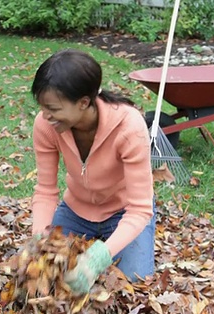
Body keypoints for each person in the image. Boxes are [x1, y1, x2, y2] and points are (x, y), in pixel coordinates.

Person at [29, 49, 156, 295]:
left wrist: (99, 257)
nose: (45, 115)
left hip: (123, 213)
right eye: (42, 106)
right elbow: (45, 191)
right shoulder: (45, 126)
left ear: (84, 102)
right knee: (47, 276)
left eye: (52, 108)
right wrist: (40, 237)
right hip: (76, 212)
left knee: (131, 284)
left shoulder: (129, 127)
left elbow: (140, 208)